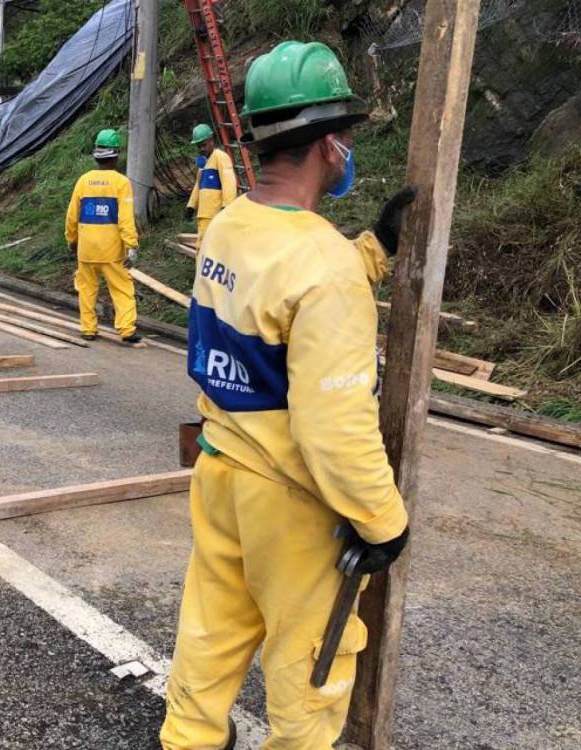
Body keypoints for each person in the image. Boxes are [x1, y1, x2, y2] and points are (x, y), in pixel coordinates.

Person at [161, 41, 415, 750]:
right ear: (331, 145)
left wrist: (373, 249)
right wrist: (383, 521)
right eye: (347, 139)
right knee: (309, 665)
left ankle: (188, 740)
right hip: (290, 500)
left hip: (221, 467)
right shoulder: (324, 266)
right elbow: (333, 427)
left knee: (212, 629)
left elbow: (275, 292)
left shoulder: (228, 227)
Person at [64, 129, 142, 345]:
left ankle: (88, 329)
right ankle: (126, 330)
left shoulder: (84, 181)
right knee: (122, 288)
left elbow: (72, 215)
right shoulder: (121, 182)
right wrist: (131, 246)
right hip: (111, 250)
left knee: (86, 289)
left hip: (86, 248)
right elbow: (125, 218)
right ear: (116, 156)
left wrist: (71, 239)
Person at [184, 123, 237, 242]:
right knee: (203, 244)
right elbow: (199, 185)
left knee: (215, 245)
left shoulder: (220, 157)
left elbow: (229, 183)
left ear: (212, 141)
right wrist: (191, 206)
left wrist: (227, 207)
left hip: (216, 214)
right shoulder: (203, 162)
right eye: (198, 146)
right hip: (203, 214)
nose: (201, 149)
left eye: (204, 145)